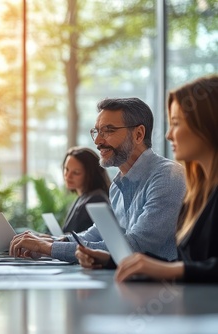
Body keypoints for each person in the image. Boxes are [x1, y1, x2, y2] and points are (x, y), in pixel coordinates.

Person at [76, 75, 218, 283]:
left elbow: (189, 267)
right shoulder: (201, 193)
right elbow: (191, 263)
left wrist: (172, 271)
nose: (169, 135)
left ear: (207, 125)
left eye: (176, 123)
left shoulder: (169, 177)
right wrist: (110, 261)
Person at [10, 97, 186, 263]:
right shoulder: (117, 187)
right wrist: (53, 240)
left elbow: (135, 246)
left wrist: (50, 248)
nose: (98, 141)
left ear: (138, 134)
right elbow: (95, 235)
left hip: (164, 288)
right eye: (97, 131)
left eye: (108, 130)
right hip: (130, 283)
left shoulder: (167, 177)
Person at [60, 146, 110, 233]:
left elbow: (88, 238)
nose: (68, 176)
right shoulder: (83, 197)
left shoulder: (96, 199)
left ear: (90, 175)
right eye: (66, 169)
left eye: (76, 172)